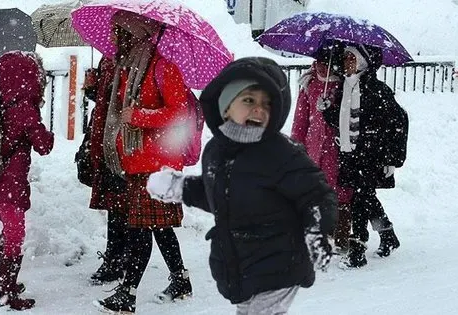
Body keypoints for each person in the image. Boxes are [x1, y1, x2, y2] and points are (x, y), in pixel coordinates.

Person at [147, 57, 337, 315]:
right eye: (249, 100)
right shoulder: (217, 150)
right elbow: (220, 195)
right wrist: (180, 188)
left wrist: (317, 230)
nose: (259, 109)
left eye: (266, 103)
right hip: (242, 263)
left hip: (279, 261)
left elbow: (316, 194)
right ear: (225, 105)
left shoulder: (282, 153)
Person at [94, 11, 192, 314]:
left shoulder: (163, 68)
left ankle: (128, 293)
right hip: (139, 162)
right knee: (159, 228)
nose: (112, 40)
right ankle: (181, 280)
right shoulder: (131, 68)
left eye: (117, 33)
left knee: (140, 228)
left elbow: (179, 114)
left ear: (132, 34)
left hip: (159, 166)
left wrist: (138, 117)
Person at [0, 51, 54, 310]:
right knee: (15, 234)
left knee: (9, 230)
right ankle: (6, 293)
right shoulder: (24, 109)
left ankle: (3, 284)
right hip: (9, 182)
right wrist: (46, 133)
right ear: (30, 77)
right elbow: (44, 146)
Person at [319, 44, 408, 269]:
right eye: (346, 57)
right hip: (349, 154)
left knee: (360, 199)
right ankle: (387, 233)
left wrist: (392, 158)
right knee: (365, 196)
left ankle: (358, 248)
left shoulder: (377, 90)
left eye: (352, 57)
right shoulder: (343, 89)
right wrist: (327, 109)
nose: (347, 61)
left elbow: (398, 122)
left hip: (371, 154)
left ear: (363, 62)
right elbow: (341, 121)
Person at [291, 41, 354, 252]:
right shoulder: (309, 84)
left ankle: (342, 233)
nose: (320, 66)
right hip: (313, 149)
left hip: (337, 149)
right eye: (318, 61)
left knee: (341, 191)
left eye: (325, 62)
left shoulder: (345, 85)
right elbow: (300, 121)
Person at [80, 56, 130, 285]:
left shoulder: (129, 60)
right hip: (105, 136)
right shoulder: (108, 59)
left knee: (120, 202)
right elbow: (101, 98)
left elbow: (121, 98)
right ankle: (118, 257)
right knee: (115, 203)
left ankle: (117, 259)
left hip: (119, 138)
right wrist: (92, 86)